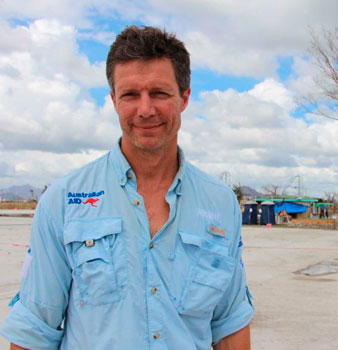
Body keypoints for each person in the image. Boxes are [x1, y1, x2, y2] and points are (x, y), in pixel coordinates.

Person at [1, 25, 254, 350]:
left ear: (185, 97)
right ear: (113, 100)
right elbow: (35, 331)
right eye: (131, 95)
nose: (145, 110)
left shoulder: (220, 204)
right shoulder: (62, 201)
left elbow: (230, 324)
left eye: (159, 93)